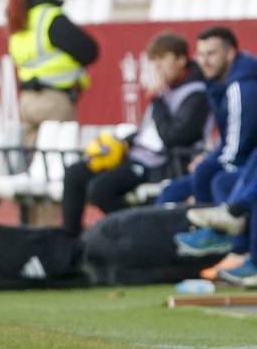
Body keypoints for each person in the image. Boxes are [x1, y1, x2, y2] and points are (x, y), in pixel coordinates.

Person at [61, 32, 211, 234]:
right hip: (137, 155)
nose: (157, 67)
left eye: (163, 59)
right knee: (75, 174)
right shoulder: (166, 89)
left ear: (181, 59)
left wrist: (157, 99)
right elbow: (147, 133)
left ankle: (141, 232)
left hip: (160, 163)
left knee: (100, 190)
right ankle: (70, 244)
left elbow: (173, 137)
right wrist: (121, 144)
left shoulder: (196, 93)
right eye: (154, 61)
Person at [164, 27, 257, 253]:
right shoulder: (218, 84)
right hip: (248, 160)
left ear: (230, 54)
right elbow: (228, 140)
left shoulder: (241, 87)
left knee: (216, 178)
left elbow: (240, 146)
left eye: (211, 54)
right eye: (201, 54)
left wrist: (212, 162)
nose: (204, 61)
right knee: (174, 190)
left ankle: (232, 246)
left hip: (246, 162)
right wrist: (210, 157)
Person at [6, 0, 99, 151]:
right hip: (54, 101)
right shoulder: (50, 17)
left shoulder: (20, 19)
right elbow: (90, 50)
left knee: (36, 168)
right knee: (60, 162)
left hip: (27, 101)